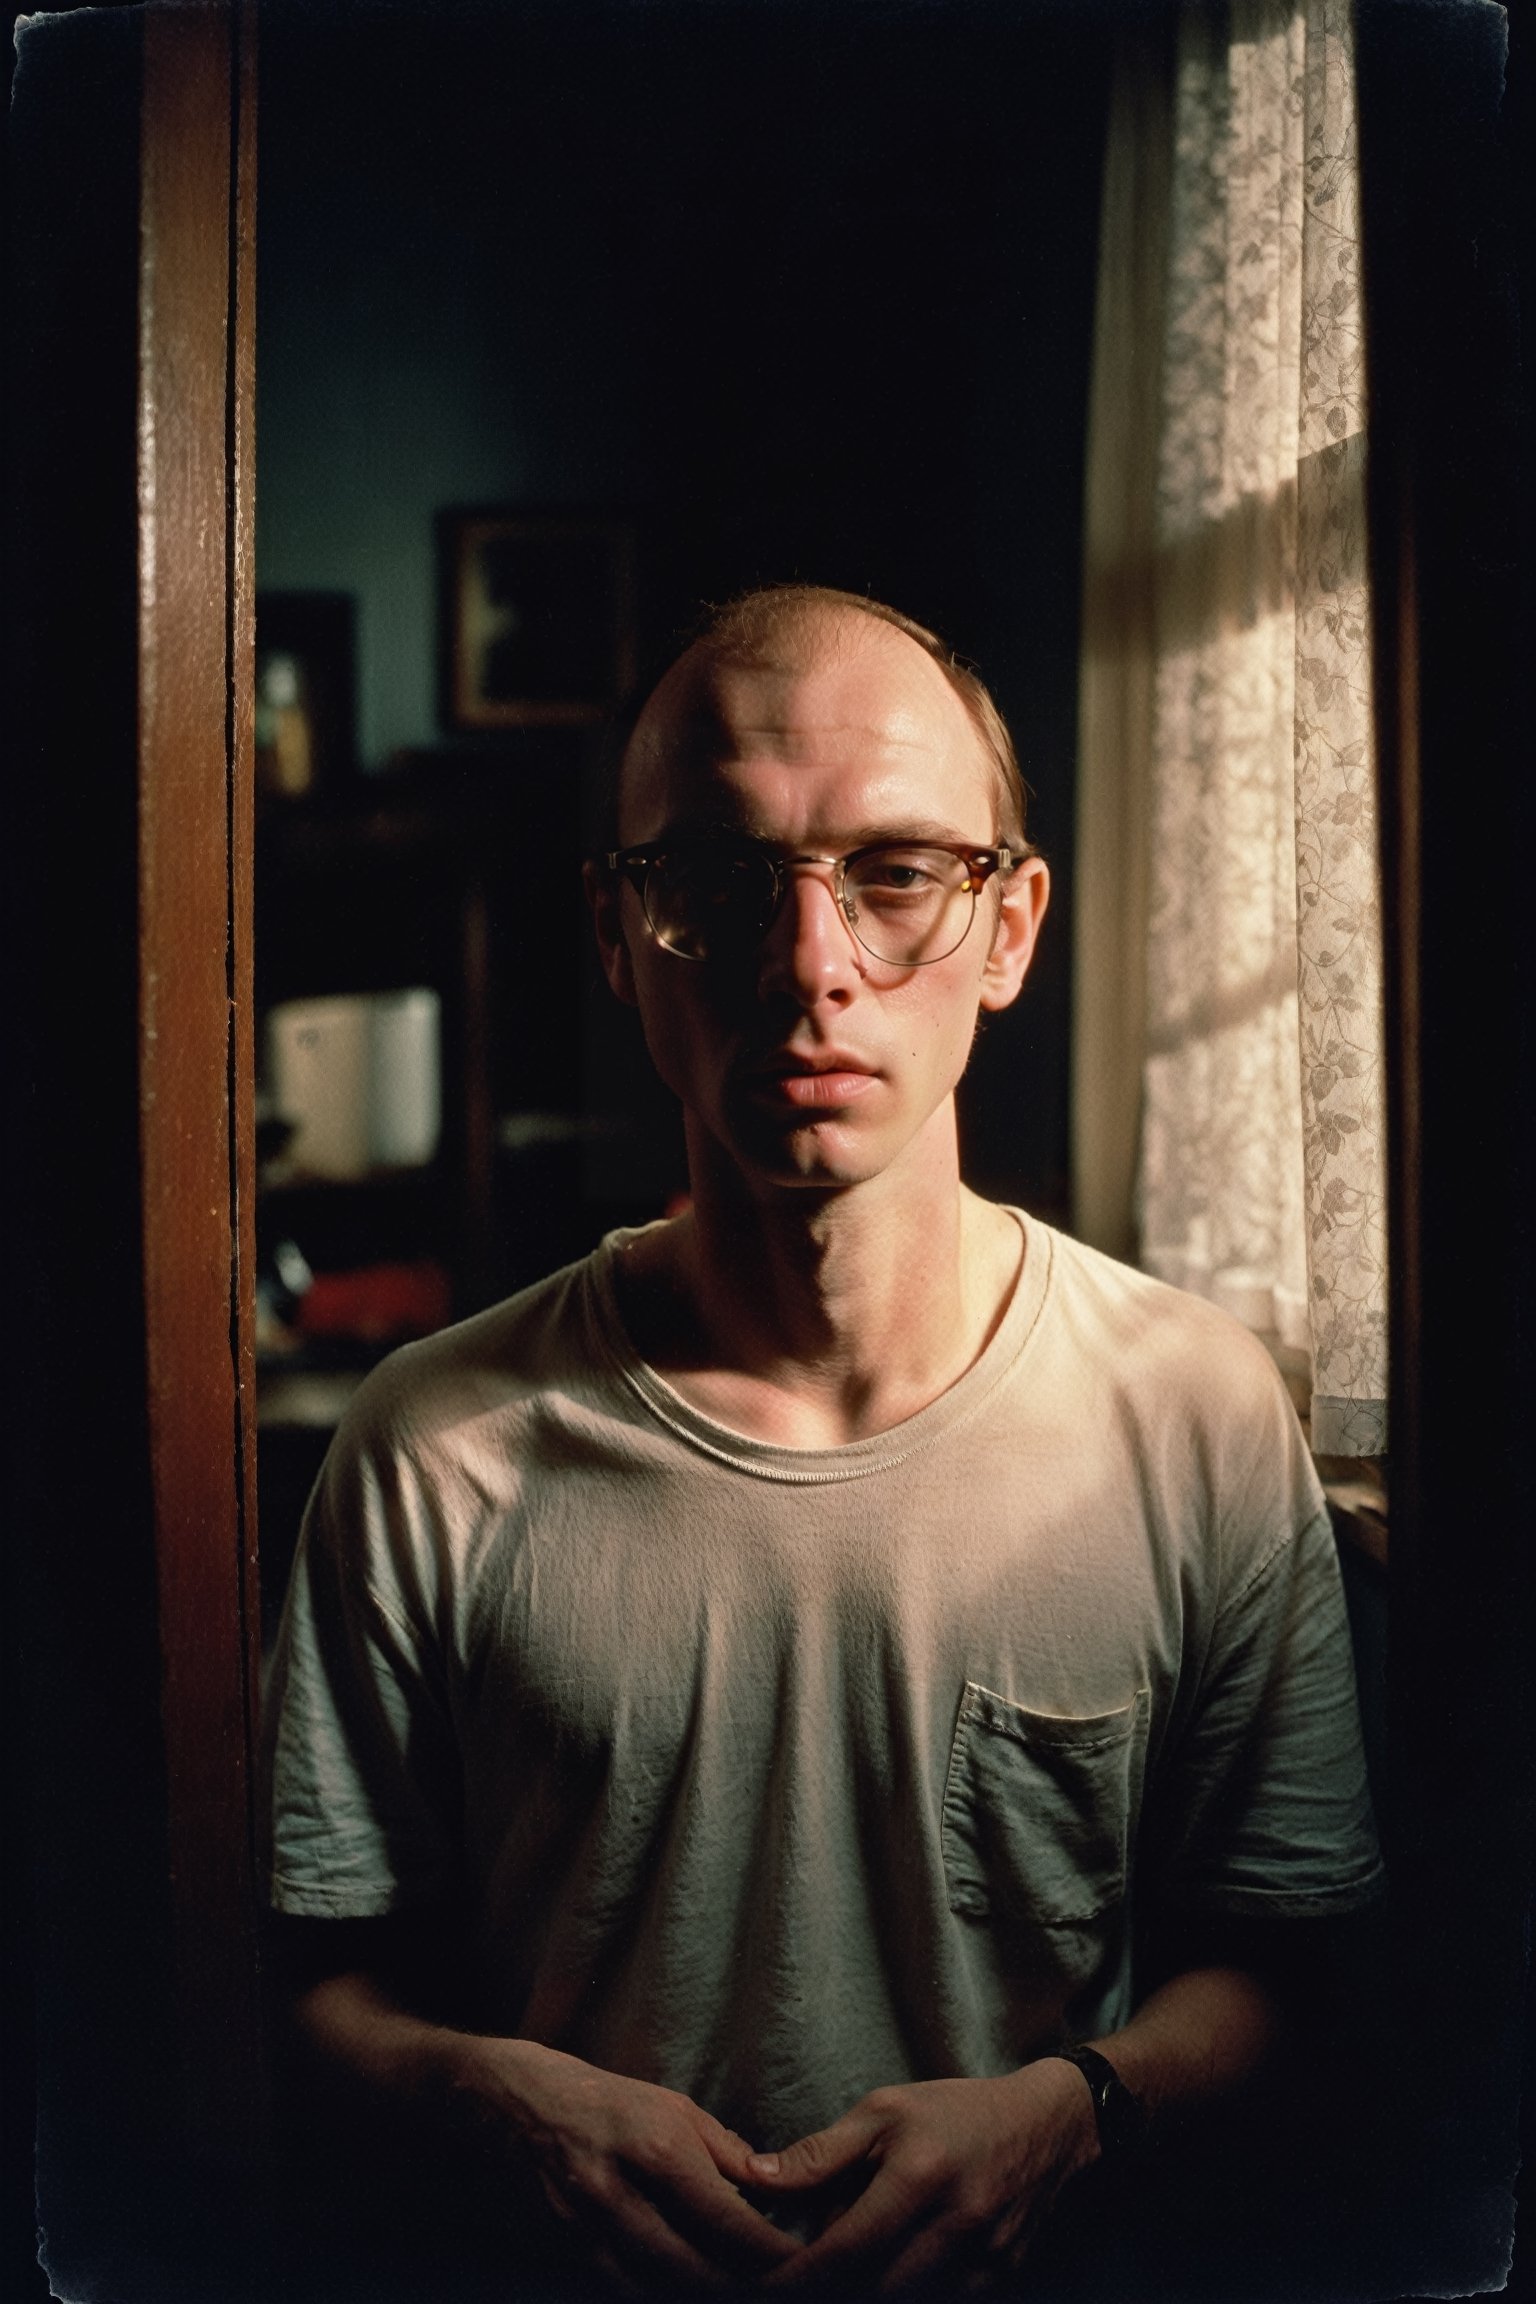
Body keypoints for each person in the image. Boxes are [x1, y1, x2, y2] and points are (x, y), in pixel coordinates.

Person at [263, 585, 1383, 2300]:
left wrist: (1078, 2111)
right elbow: (302, 1986)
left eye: (897, 872)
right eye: (720, 882)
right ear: (619, 932)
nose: (811, 964)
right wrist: (486, 2097)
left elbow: (1294, 1971)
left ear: (1010, 929)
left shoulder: (1196, 1412)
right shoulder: (438, 1446)